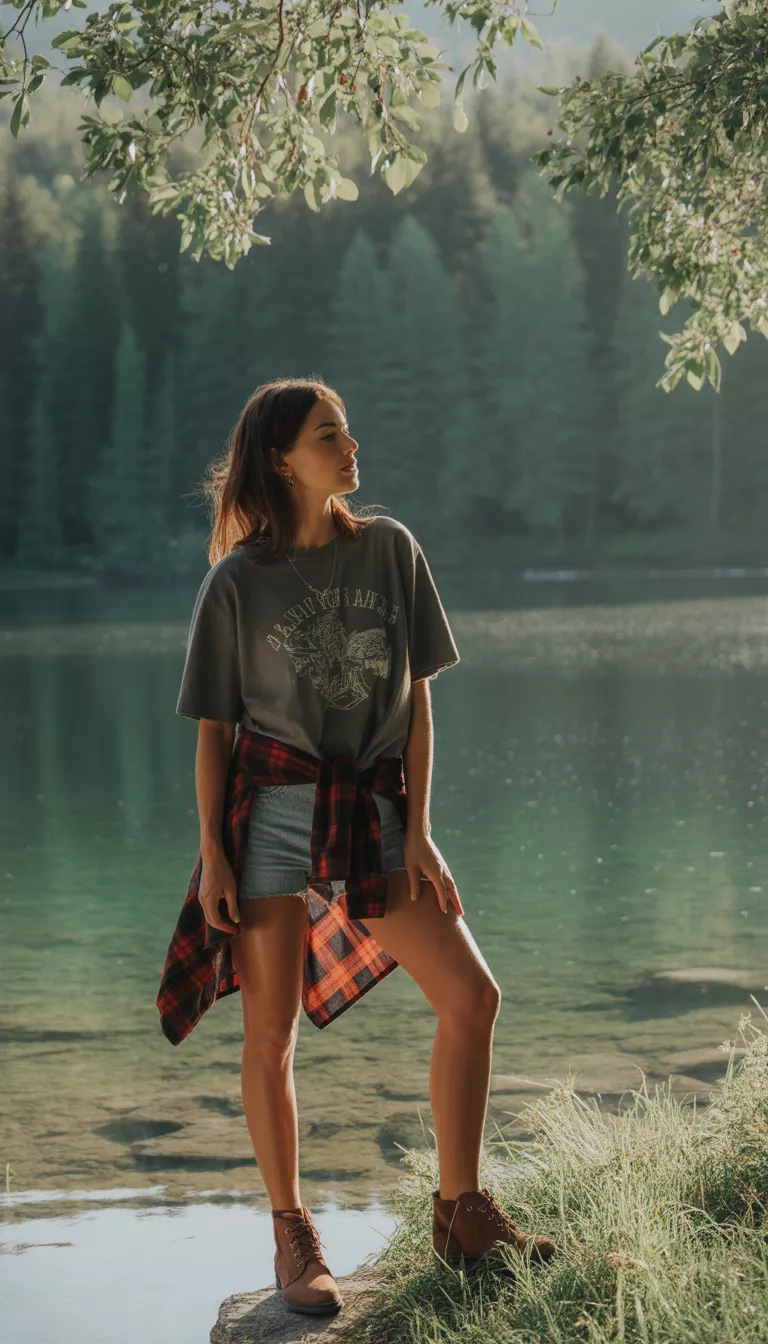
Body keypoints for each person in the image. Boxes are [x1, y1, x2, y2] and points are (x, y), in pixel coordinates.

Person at [172, 377, 557, 1317]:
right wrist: (215, 857)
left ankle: (461, 1212)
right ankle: (293, 1239)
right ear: (281, 457)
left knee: (473, 997)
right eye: (328, 434)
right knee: (270, 1037)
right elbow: (215, 734)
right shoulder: (234, 584)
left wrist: (419, 830)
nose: (351, 447)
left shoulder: (391, 550)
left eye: (347, 432)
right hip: (268, 819)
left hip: (376, 813)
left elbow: (419, 699)